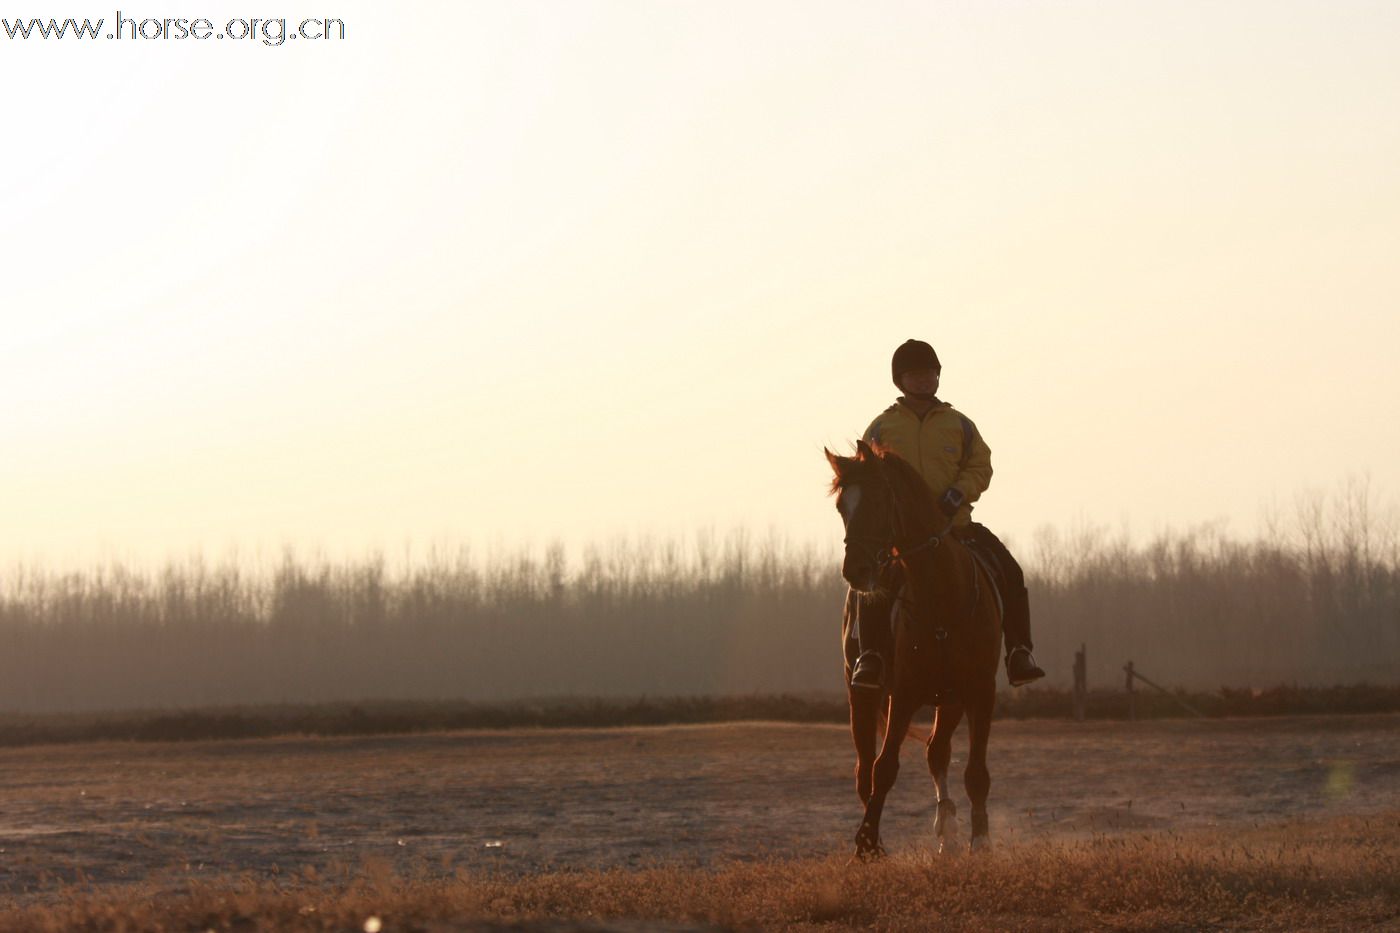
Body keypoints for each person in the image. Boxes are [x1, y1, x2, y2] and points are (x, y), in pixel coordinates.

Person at [849, 338, 1045, 689]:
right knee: (873, 586)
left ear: (938, 376)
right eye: (915, 374)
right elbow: (865, 476)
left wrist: (958, 493)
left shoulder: (960, 424)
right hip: (904, 540)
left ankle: (1018, 652)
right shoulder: (881, 428)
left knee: (1010, 572)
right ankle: (871, 656)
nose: (924, 380)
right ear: (900, 380)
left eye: (929, 373)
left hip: (956, 528)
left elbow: (980, 465)